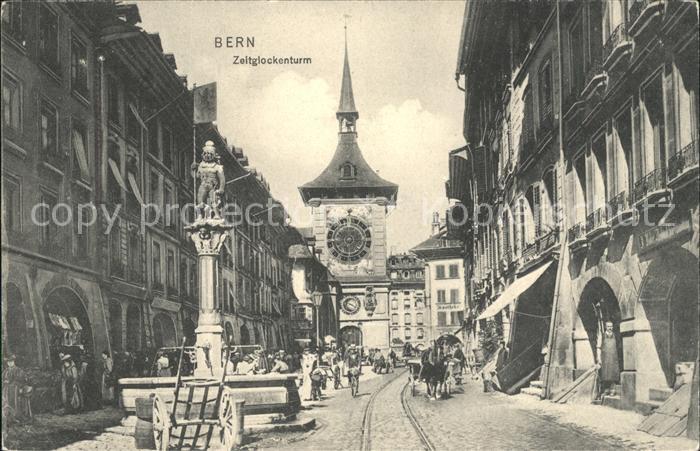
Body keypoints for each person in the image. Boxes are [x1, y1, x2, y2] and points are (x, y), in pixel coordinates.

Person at [2, 354, 33, 423]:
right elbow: (3, 379)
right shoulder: (5, 371)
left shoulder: (18, 370)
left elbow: (23, 380)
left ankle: (16, 417)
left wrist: (20, 387)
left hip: (15, 389)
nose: (10, 363)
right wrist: (5, 382)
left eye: (11, 361)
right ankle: (9, 417)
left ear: (14, 362)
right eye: (8, 362)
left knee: (15, 403)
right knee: (6, 402)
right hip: (7, 390)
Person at [599, 321, 620, 396]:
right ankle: (606, 390)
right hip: (605, 358)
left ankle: (613, 390)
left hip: (613, 358)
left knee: (613, 374)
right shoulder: (602, 335)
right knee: (606, 374)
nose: (610, 328)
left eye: (611, 326)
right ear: (605, 327)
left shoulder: (615, 335)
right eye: (608, 326)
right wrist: (598, 358)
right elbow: (599, 347)